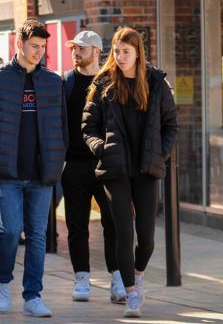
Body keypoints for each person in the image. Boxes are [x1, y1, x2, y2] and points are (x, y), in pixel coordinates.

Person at [82, 27, 178, 317]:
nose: (120, 57)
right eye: (116, 51)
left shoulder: (156, 83)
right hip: (116, 169)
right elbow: (88, 127)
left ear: (138, 53)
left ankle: (137, 274)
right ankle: (131, 293)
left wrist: (159, 154)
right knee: (124, 233)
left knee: (146, 238)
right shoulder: (104, 84)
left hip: (146, 169)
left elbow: (171, 126)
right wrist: (103, 150)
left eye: (126, 51)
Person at [0, 19, 68, 317]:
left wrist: (57, 161)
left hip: (42, 174)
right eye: (34, 46)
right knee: (10, 230)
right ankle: (3, 283)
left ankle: (33, 295)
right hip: (7, 173)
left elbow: (62, 128)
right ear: (19, 44)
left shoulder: (53, 81)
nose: (39, 52)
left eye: (43, 47)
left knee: (38, 234)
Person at [61, 31, 124, 303]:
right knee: (76, 224)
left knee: (114, 222)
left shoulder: (110, 82)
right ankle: (81, 278)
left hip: (105, 164)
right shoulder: (64, 82)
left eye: (82, 49)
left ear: (97, 52)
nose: (76, 52)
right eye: (74, 48)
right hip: (74, 164)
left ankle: (119, 277)